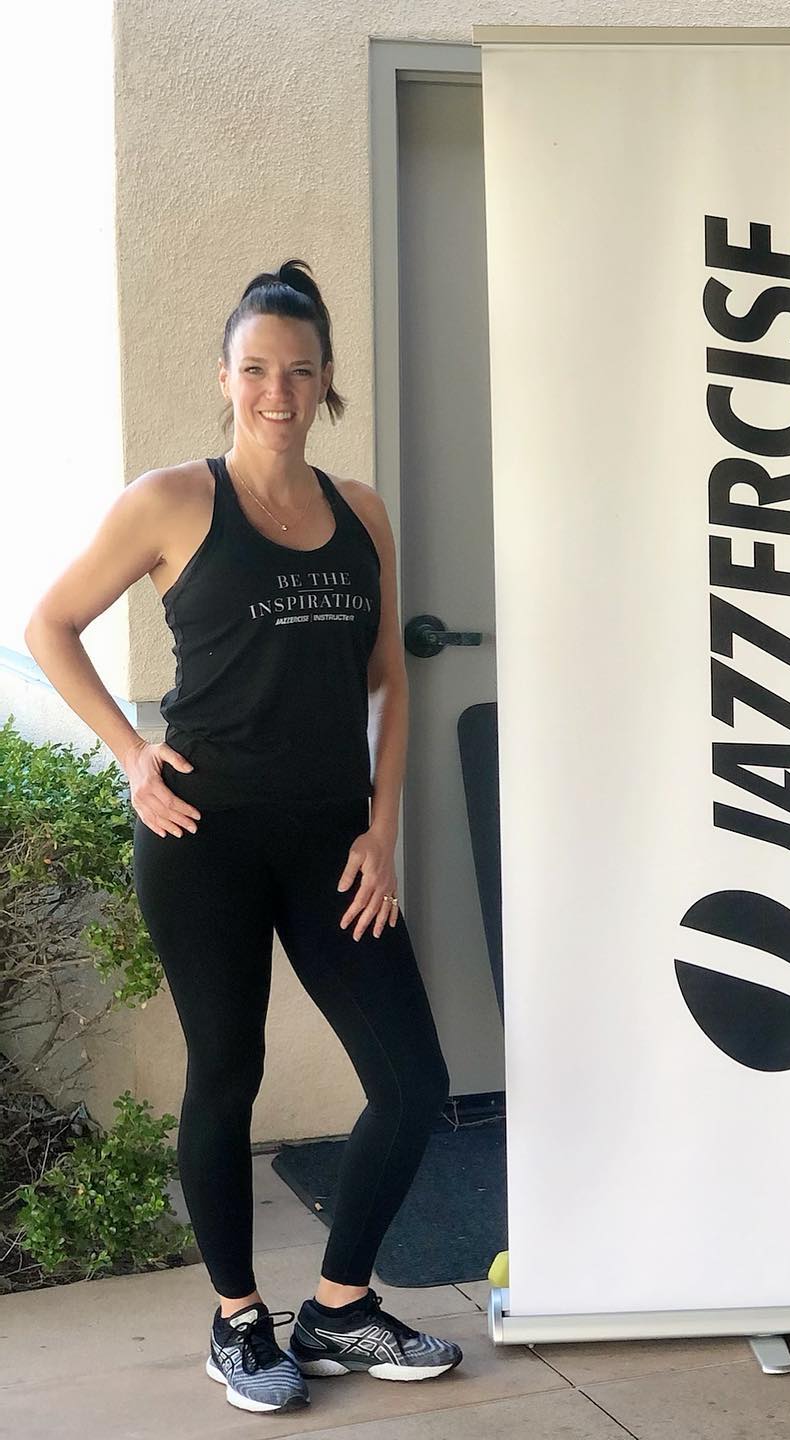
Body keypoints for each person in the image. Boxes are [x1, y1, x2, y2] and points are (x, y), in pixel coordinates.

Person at [26, 261, 461, 1414]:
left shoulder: (361, 512)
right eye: (257, 369)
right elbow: (51, 624)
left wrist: (383, 827)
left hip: (333, 841)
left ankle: (339, 1307)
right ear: (225, 378)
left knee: (413, 1082)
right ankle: (236, 1320)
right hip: (204, 836)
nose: (278, 391)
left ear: (326, 383)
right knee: (229, 1074)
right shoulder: (172, 501)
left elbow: (388, 680)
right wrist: (132, 754)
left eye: (299, 371)